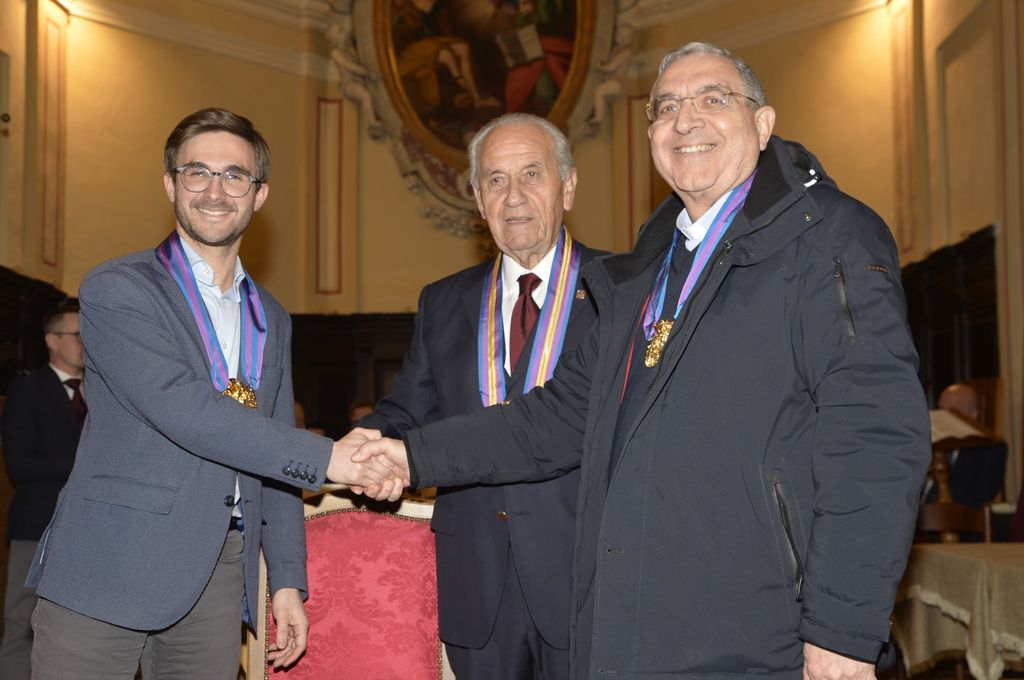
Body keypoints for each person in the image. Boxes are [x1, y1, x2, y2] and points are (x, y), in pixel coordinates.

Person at [354, 43, 932, 680]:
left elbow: (875, 439)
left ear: (763, 124)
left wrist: (842, 632)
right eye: (667, 107)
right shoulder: (646, 274)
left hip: (763, 636)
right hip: (639, 628)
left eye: (713, 99)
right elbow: (549, 421)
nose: (686, 120)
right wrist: (408, 455)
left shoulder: (829, 236)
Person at [25, 108, 394, 679]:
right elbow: (181, 407)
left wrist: (286, 580)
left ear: (259, 193)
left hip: (218, 573)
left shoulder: (271, 315)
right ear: (170, 183)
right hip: (110, 562)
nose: (215, 191)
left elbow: (273, 451)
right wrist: (331, 458)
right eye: (197, 172)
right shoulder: (119, 288)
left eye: (234, 176)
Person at [354, 112, 603, 680]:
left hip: (587, 575)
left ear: (567, 187)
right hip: (476, 576)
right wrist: (361, 446)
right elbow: (408, 410)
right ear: (476, 198)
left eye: (531, 174)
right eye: (495, 179)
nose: (513, 196)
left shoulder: (620, 290)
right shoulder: (444, 301)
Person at [0, 302, 84, 679]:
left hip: (90, 530)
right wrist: (87, 465)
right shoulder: (27, 389)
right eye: (78, 335)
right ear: (52, 340)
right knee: (23, 623)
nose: (85, 342)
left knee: (80, 632)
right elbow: (20, 465)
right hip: (37, 524)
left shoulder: (104, 393)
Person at [930, 382, 1007, 507]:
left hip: (959, 516)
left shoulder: (990, 449)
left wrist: (940, 478)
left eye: (954, 412)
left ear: (974, 414)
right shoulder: (926, 444)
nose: (945, 418)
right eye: (941, 410)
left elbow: (981, 499)